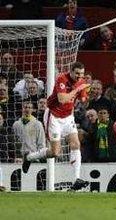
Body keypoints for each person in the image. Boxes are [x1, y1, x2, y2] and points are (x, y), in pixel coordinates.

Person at [22, 61, 91, 191]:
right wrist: (77, 90)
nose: (79, 76)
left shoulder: (81, 82)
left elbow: (82, 100)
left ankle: (76, 179)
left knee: (76, 144)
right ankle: (29, 157)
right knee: (55, 152)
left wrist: (86, 95)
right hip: (53, 116)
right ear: (71, 71)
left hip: (68, 116)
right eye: (77, 73)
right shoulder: (62, 78)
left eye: (81, 74)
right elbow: (62, 99)